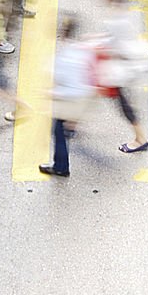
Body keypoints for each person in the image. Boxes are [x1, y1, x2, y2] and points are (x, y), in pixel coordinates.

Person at [39, 18, 98, 177]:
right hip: (84, 98)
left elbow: (64, 83)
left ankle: (61, 167)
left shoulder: (64, 56)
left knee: (58, 132)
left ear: (63, 34)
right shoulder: (85, 50)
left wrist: (53, 93)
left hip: (71, 100)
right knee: (67, 125)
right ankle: (71, 127)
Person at [97, 0, 148, 152]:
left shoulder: (115, 22)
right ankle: (71, 123)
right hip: (126, 68)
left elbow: (118, 46)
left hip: (122, 71)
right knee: (122, 102)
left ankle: (140, 139)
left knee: (124, 105)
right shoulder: (128, 16)